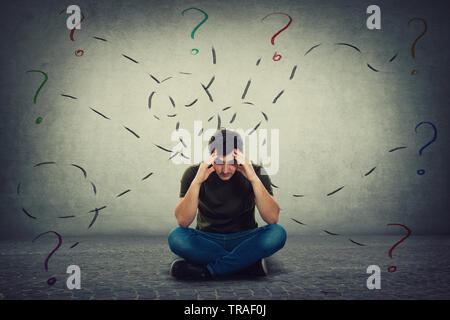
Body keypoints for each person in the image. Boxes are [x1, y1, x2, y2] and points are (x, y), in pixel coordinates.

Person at [168, 128, 286, 280]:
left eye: (231, 162)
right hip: (207, 240)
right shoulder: (194, 173)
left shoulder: (256, 171)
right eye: (219, 162)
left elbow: (272, 219)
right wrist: (197, 181)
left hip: (245, 240)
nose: (225, 170)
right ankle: (247, 264)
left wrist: (254, 179)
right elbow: (183, 221)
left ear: (240, 157)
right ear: (211, 157)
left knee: (277, 233)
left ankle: (209, 270)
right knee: (176, 236)